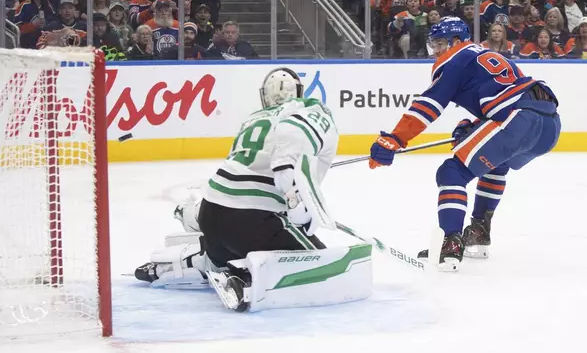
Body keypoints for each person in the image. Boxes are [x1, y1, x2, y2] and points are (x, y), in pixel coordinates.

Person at [134, 68, 372, 311]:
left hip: (211, 211)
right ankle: (247, 279)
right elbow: (297, 128)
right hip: (252, 219)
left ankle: (190, 264)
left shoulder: (253, 119)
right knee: (320, 263)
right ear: (298, 92)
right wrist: (288, 172)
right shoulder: (304, 109)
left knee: (224, 246)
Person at [368, 17, 561, 272]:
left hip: (517, 117)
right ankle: (479, 231)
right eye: (433, 44)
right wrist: (473, 125)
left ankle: (451, 243)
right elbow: (503, 95)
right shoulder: (485, 55)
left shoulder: (454, 58)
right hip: (549, 124)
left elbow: (428, 106)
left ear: (456, 42)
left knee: (452, 172)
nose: (435, 51)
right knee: (496, 165)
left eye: (439, 43)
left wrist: (395, 138)